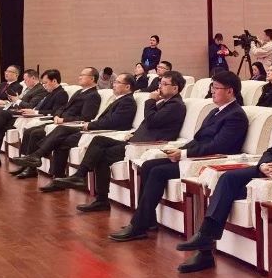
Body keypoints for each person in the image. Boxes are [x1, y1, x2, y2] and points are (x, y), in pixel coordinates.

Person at [174, 82, 272, 273]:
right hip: (267, 170)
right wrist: (264, 164)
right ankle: (205, 242)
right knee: (226, 179)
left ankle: (205, 247)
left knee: (225, 193)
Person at [109, 70, 250, 241]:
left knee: (158, 171)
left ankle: (138, 225)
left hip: (210, 161)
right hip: (196, 155)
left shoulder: (236, 115)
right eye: (212, 87)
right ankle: (148, 220)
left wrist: (184, 153)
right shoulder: (215, 111)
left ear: (230, 91)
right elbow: (198, 139)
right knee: (148, 165)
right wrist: (180, 150)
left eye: (216, 87)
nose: (212, 91)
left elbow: (219, 146)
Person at [53, 71, 188, 211]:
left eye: (164, 84)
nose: (159, 86)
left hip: (144, 146)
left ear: (175, 88)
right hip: (135, 141)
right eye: (160, 83)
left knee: (102, 155)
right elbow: (150, 124)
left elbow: (151, 121)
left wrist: (150, 101)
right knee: (99, 141)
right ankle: (82, 179)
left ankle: (98, 196)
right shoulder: (165, 103)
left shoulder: (176, 105)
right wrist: (134, 133)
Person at [17, 73, 139, 185]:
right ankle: (51, 171)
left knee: (61, 135)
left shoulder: (127, 102)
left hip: (106, 131)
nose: (113, 84)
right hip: (95, 127)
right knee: (61, 135)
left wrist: (90, 125)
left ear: (127, 87)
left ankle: (41, 159)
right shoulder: (120, 100)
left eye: (117, 82)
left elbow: (113, 122)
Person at [9, 67, 103, 178]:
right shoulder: (79, 92)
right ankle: (29, 164)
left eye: (83, 75)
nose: (79, 77)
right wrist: (58, 115)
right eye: (80, 75)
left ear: (92, 79)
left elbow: (86, 117)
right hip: (59, 121)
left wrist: (64, 120)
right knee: (31, 130)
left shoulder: (93, 95)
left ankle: (34, 161)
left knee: (36, 133)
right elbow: (63, 107)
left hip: (71, 125)